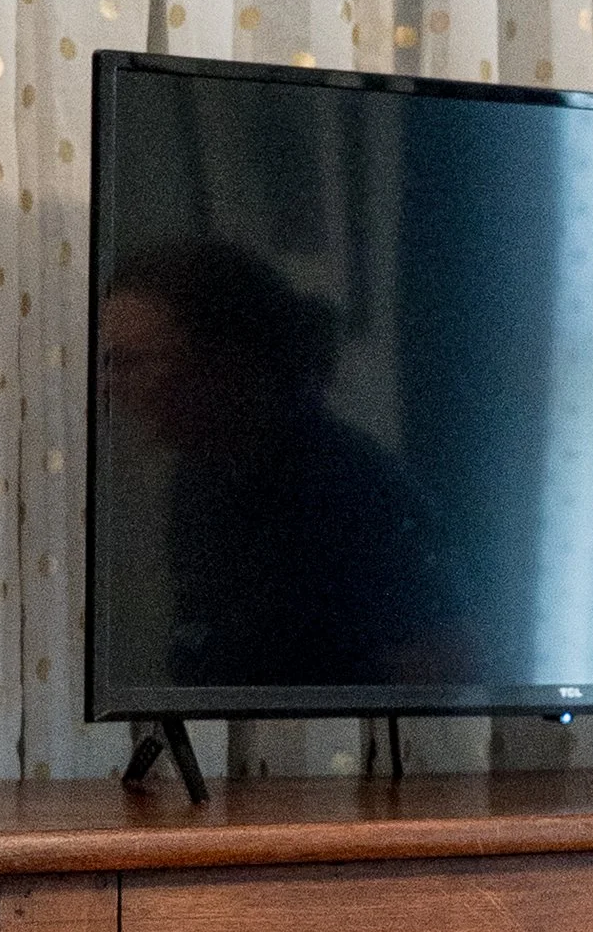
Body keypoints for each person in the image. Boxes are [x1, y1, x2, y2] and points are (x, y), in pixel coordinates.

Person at [100, 240, 476, 690]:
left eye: (134, 363)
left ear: (225, 363)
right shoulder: (205, 476)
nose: (112, 386)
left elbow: (444, 679)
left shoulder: (358, 495)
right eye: (110, 364)